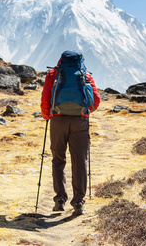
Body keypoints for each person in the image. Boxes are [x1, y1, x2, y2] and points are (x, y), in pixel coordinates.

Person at [40, 50, 100, 215]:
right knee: (80, 160)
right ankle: (78, 201)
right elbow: (95, 101)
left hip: (58, 119)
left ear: (61, 60)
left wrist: (48, 115)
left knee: (58, 159)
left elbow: (46, 98)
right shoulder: (85, 75)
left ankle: (60, 199)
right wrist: (84, 112)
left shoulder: (53, 74)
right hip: (80, 121)